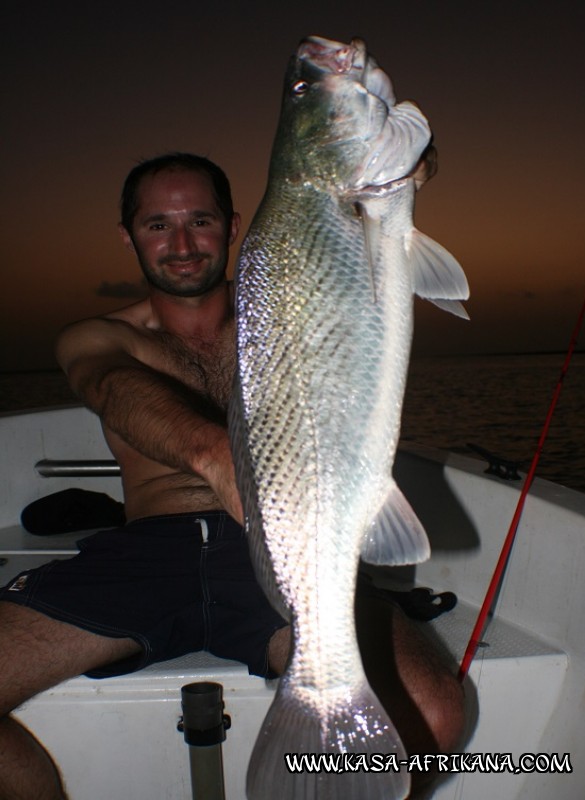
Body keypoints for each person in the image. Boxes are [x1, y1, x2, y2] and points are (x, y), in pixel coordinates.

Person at [0, 152, 463, 799]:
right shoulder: (97, 338)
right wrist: (217, 456)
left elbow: (372, 266)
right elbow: (112, 387)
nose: (183, 244)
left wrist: (392, 179)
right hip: (146, 555)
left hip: (283, 557)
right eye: (159, 225)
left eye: (201, 221)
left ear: (235, 225)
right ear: (128, 235)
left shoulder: (293, 322)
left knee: (433, 711)